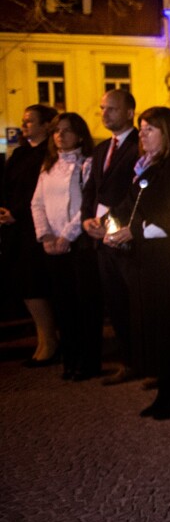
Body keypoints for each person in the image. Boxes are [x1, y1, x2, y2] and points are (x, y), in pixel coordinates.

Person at [106, 107, 170, 420]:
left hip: (169, 259)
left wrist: (132, 231)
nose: (143, 135)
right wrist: (105, 221)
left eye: (150, 129)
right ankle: (168, 389)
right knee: (154, 324)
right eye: (142, 129)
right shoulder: (146, 166)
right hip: (148, 259)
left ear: (167, 132)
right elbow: (130, 204)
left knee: (169, 325)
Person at [31, 113, 102, 381]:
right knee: (64, 305)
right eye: (56, 131)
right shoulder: (48, 166)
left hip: (79, 244)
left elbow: (87, 204)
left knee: (86, 304)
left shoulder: (87, 164)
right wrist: (46, 235)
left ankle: (89, 360)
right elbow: (37, 203)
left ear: (80, 135)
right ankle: (70, 358)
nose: (60, 135)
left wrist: (67, 236)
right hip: (53, 247)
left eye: (67, 131)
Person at [81, 90, 141, 385]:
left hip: (128, 236)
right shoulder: (100, 149)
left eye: (112, 109)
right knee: (115, 302)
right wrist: (86, 220)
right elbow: (91, 189)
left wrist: (108, 222)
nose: (105, 114)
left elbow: (135, 193)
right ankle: (128, 359)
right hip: (100, 238)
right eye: (103, 108)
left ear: (129, 112)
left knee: (135, 302)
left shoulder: (140, 144)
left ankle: (144, 359)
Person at [0, 104, 59, 366]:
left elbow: (41, 193)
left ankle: (50, 341)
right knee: (24, 286)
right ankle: (42, 340)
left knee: (36, 284)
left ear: (47, 125)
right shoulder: (20, 154)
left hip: (33, 226)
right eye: (24, 122)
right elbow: (7, 185)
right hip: (14, 226)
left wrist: (18, 212)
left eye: (30, 122)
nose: (25, 126)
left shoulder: (49, 155)